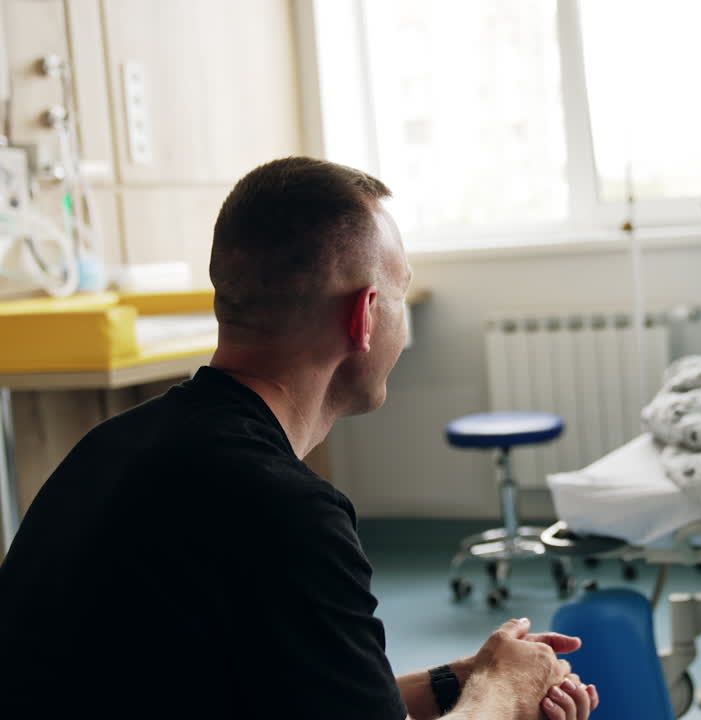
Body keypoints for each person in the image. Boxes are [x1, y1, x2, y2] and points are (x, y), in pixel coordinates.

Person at [0, 157, 598, 720]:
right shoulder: (286, 513)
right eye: (399, 294)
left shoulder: (108, 450)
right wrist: (506, 688)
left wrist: (460, 682)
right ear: (364, 316)